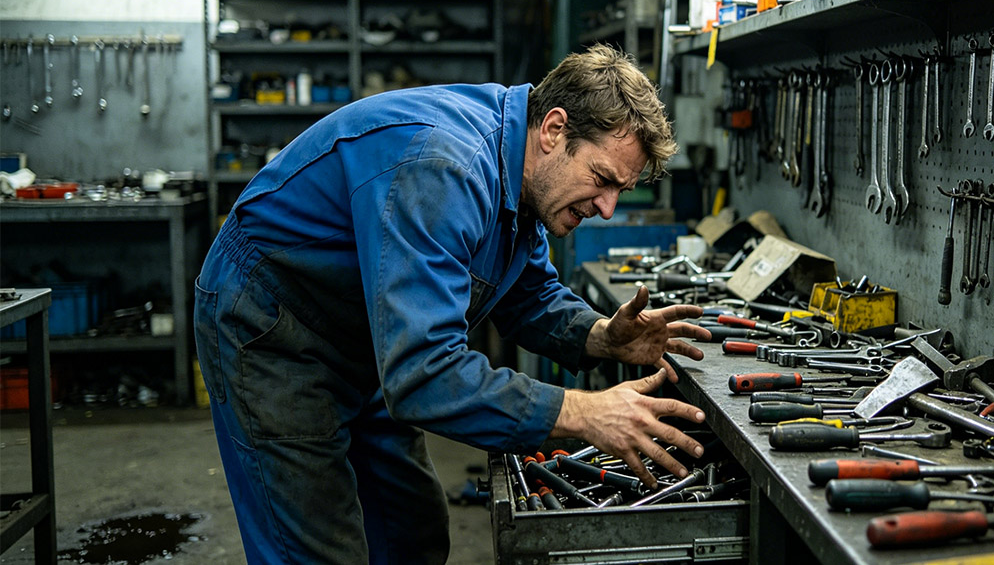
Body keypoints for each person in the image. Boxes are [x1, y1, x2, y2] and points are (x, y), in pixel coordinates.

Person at [194, 43, 711, 564]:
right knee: (318, 547)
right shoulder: (447, 167)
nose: (607, 208)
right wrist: (582, 411)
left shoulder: (524, 179)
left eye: (620, 189)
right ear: (554, 130)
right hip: (271, 325)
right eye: (601, 180)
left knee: (410, 529)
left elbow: (525, 293)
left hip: (367, 335)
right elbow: (423, 374)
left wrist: (599, 336)